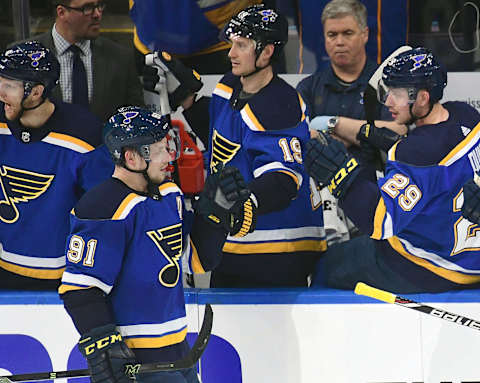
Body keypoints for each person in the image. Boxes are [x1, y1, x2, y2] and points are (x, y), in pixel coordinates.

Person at [58, 106, 250, 383]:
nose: (169, 156)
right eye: (159, 150)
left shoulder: (169, 193)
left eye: (167, 146)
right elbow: (80, 289)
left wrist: (215, 214)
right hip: (137, 359)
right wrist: (105, 348)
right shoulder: (103, 208)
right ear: (132, 157)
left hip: (179, 351)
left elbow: (197, 261)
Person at [145, 4, 326, 287]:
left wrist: (246, 203)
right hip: (234, 237)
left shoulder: (280, 105)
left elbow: (283, 180)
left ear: (266, 52)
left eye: (241, 45)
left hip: (277, 243)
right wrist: (186, 99)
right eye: (232, 44)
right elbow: (226, 139)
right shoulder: (229, 86)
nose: (231, 53)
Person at [304, 46, 480, 294]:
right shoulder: (466, 115)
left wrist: (340, 175)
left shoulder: (412, 153)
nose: (388, 101)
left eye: (397, 93)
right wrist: (389, 142)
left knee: (326, 265)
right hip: (472, 260)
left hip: (429, 267)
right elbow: (442, 166)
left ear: (422, 97)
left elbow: (379, 223)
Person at [0, 41, 113, 290]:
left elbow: (104, 211)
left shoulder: (84, 134)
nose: (1, 92)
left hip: (60, 278)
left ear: (36, 91)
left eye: (9, 86)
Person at [296, 0, 406, 146]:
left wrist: (335, 124)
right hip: (322, 169)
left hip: (374, 169)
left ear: (365, 34)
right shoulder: (308, 88)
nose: (339, 42)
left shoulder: (387, 83)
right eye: (332, 35)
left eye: (348, 33)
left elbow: (398, 131)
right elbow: (298, 139)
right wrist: (367, 135)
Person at [29, 0, 144, 122]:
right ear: (61, 12)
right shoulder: (25, 56)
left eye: (99, 6)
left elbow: (136, 117)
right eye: (87, 8)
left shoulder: (121, 58)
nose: (97, 14)